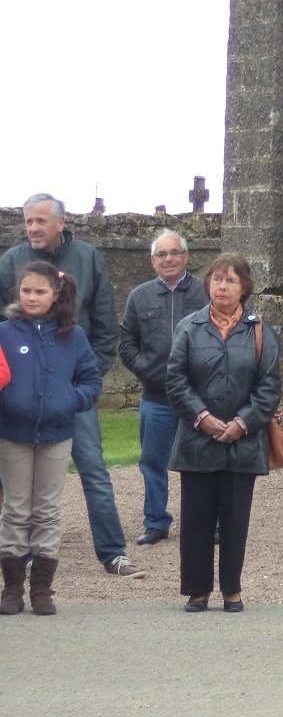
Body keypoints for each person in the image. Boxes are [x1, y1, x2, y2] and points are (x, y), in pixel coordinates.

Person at [0, 193, 143, 578]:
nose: (33, 228)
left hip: (69, 398)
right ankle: (23, 556)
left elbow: (106, 327)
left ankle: (113, 554)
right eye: (28, 221)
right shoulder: (10, 262)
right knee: (18, 485)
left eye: (40, 221)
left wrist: (77, 386)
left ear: (61, 223)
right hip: (19, 400)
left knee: (94, 470)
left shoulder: (88, 258)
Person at [166, 253, 282, 612]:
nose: (222, 286)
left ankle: (232, 588)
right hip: (197, 438)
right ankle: (197, 590)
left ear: (243, 288)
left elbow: (269, 387)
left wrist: (242, 423)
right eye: (217, 279)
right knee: (196, 519)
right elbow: (175, 380)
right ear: (207, 285)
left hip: (243, 441)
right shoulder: (189, 327)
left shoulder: (260, 331)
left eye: (231, 280)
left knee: (235, 520)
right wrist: (201, 417)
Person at [0, 263, 102, 615]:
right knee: (15, 509)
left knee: (47, 510)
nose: (31, 297)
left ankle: (41, 589)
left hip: (57, 435)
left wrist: (69, 400)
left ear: (56, 295)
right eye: (26, 290)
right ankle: (12, 588)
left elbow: (91, 381)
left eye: (40, 292)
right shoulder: (5, 333)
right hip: (12, 434)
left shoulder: (73, 336)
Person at [119, 229, 208, 545]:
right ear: (152, 260)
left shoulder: (205, 292)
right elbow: (126, 343)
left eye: (174, 253)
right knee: (152, 463)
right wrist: (145, 369)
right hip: (156, 398)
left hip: (199, 398)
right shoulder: (139, 297)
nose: (168, 259)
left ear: (186, 256)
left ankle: (207, 523)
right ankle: (156, 522)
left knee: (203, 463)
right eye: (161, 254)